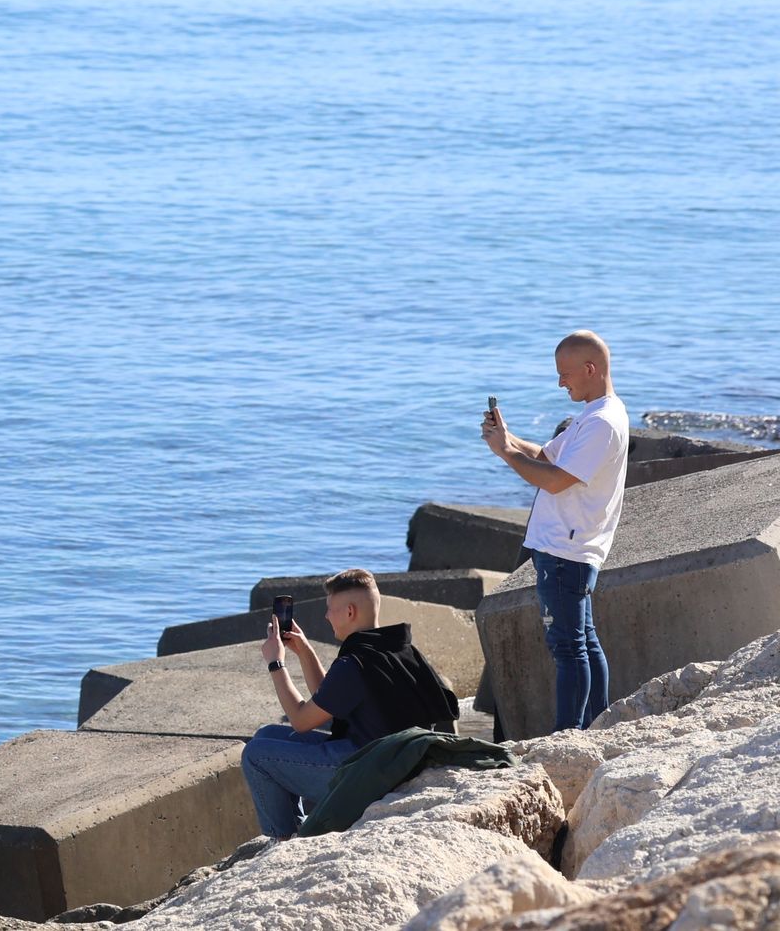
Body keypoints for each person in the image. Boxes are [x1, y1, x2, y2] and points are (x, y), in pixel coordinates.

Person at [481, 329, 628, 732]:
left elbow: (555, 480)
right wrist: (507, 438)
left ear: (590, 369)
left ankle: (569, 734)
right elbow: (547, 457)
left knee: (568, 648)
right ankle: (596, 725)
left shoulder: (602, 423)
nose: (561, 382)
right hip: (567, 548)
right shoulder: (595, 415)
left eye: (565, 373)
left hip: (567, 551)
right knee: (583, 641)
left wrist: (505, 452)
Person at [241, 568, 458, 839]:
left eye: (330, 608)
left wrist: (276, 663)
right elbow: (328, 698)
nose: (326, 616)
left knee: (256, 754)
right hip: (393, 762)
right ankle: (301, 827)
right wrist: (304, 650)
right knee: (267, 735)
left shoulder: (354, 664)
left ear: (349, 612)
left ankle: (283, 839)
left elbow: (301, 721)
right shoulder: (397, 649)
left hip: (366, 775)